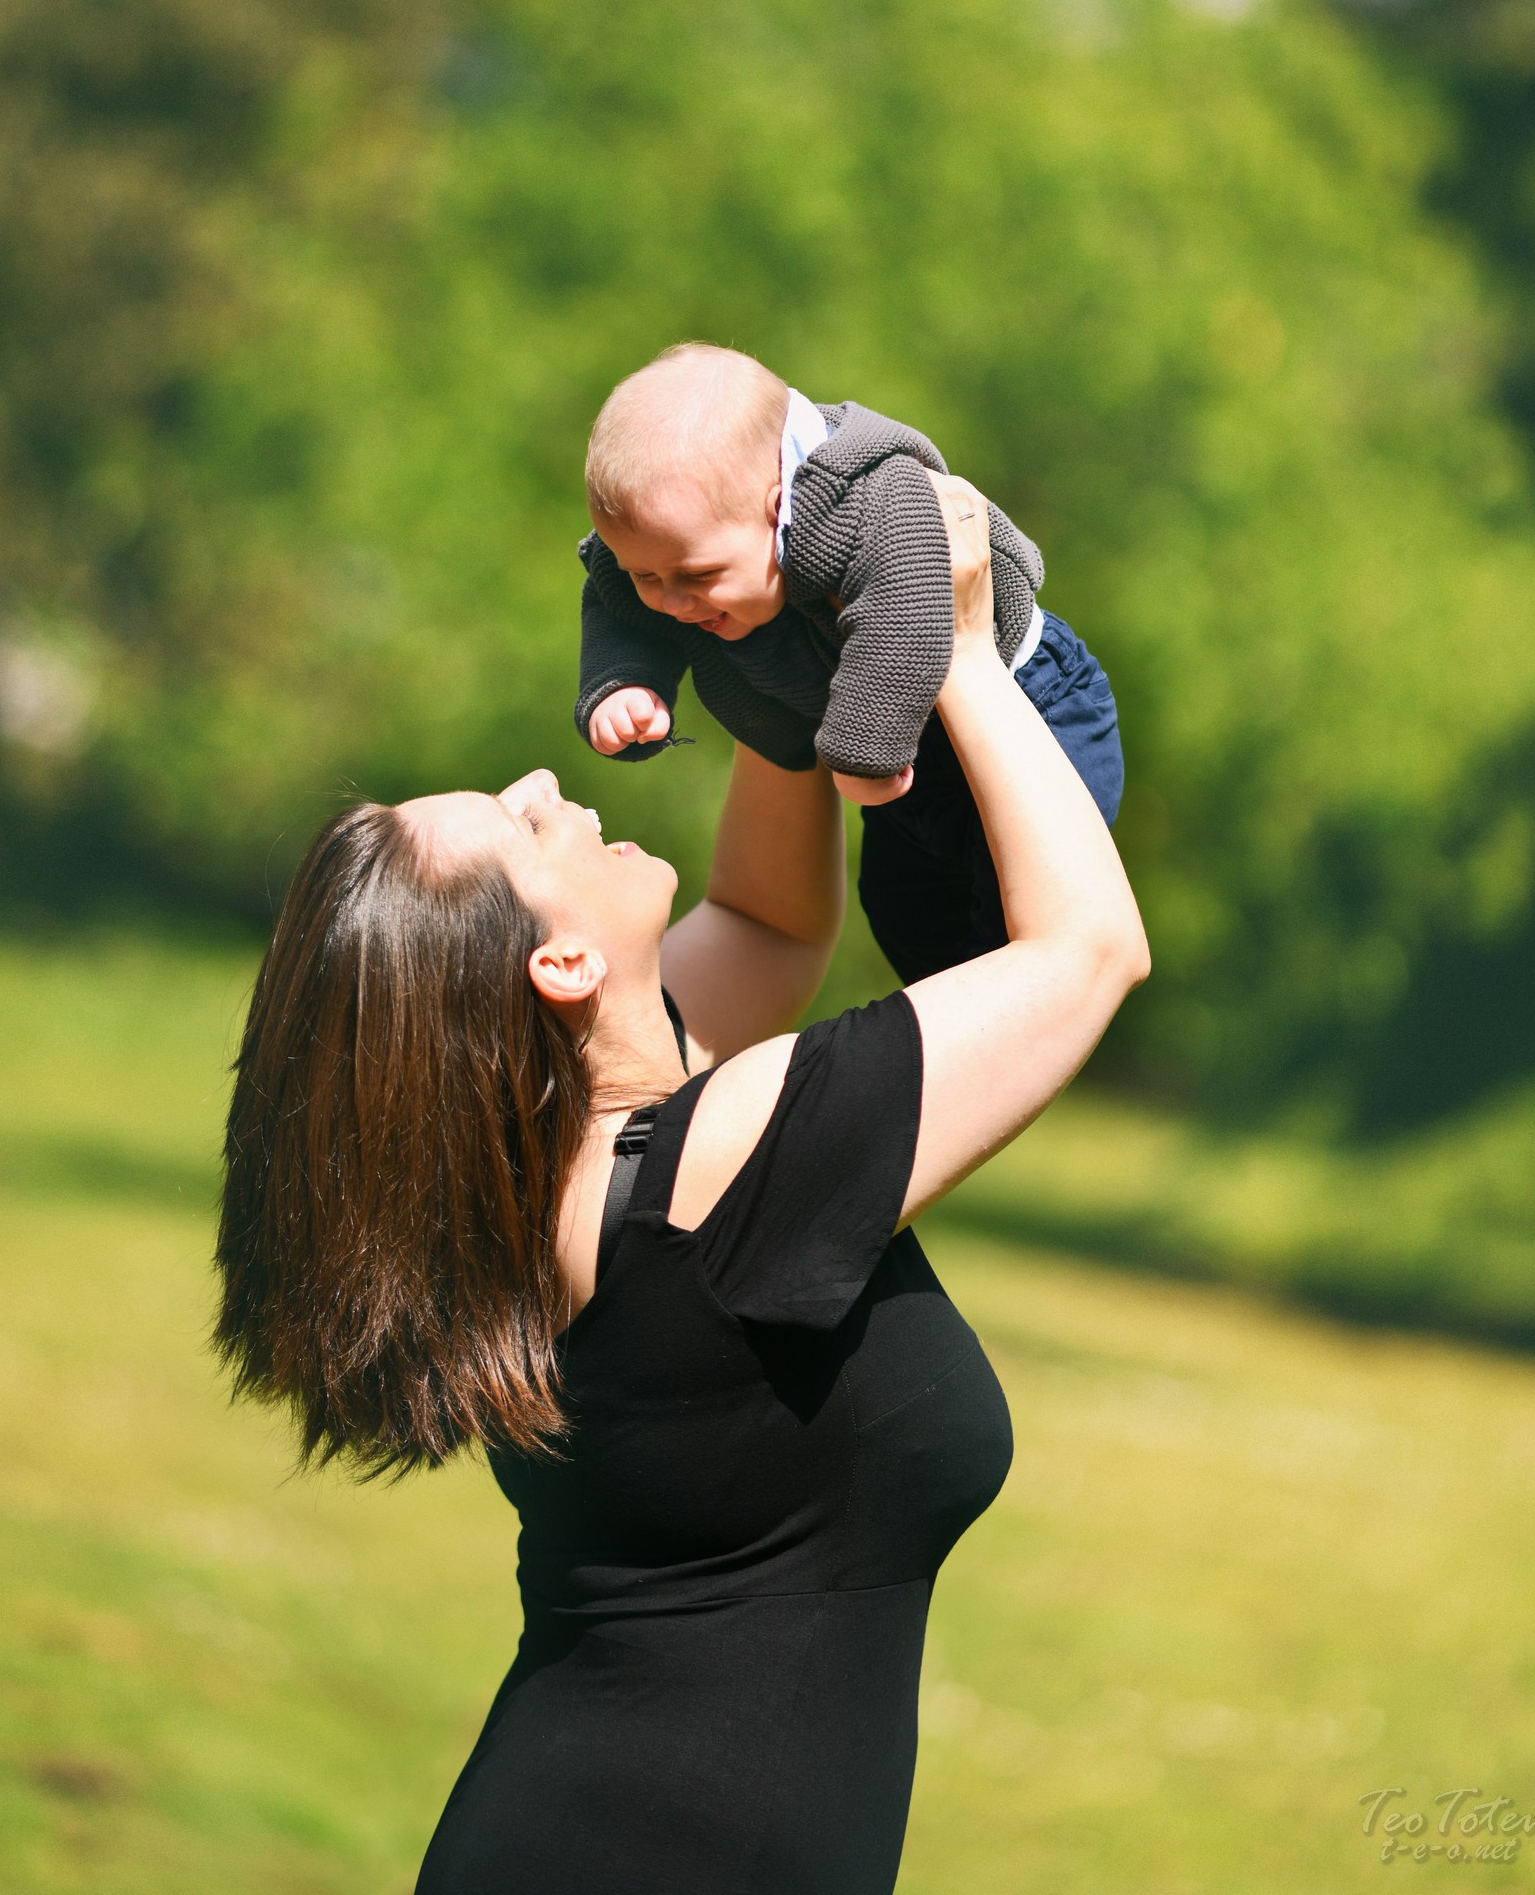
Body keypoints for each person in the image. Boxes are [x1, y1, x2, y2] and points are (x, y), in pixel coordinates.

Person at [214, 477, 1149, 1895]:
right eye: (524, 831)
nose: (545, 787)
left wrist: (773, 641)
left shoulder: (559, 1167)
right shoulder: (717, 1164)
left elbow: (772, 927)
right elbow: (1084, 954)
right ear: (558, 969)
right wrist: (943, 647)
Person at [574, 342, 1125, 983]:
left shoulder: (868, 496)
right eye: (646, 574)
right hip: (916, 755)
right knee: (904, 912)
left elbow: (909, 609)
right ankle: (943, 1041)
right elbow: (617, 605)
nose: (671, 601)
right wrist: (623, 684)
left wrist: (865, 749)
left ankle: (1014, 1036)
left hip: (1031, 707)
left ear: (779, 508)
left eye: (696, 574)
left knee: (1022, 926)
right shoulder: (691, 547)